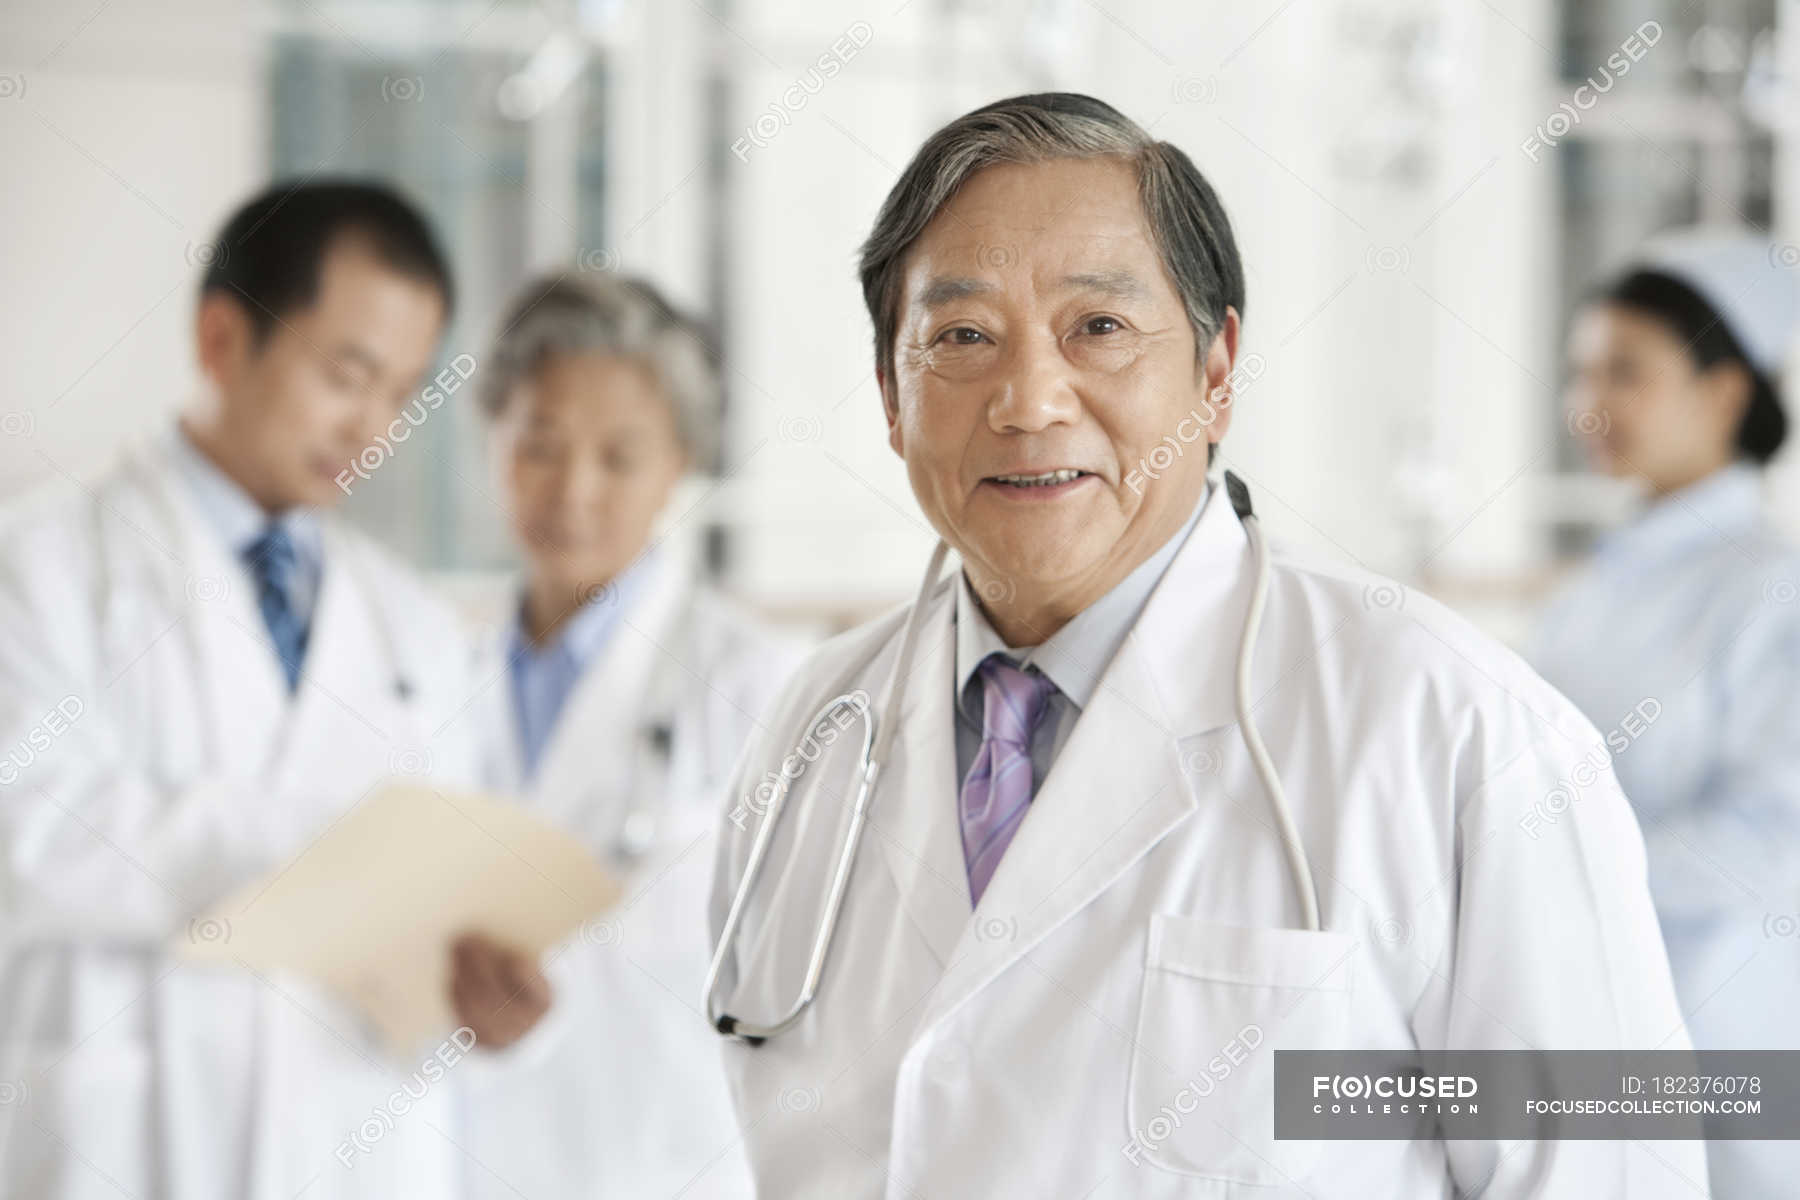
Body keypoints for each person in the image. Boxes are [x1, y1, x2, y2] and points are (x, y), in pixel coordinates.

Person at [704, 93, 1706, 1197]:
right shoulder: (812, 731)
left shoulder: (1461, 731)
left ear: (1217, 373)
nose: (1029, 402)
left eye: (1099, 328)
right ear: (892, 398)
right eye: (961, 338)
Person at [0, 180, 538, 1198]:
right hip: (127, 1147)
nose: (372, 427)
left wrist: (475, 1007)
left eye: (402, 393)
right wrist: (313, 842)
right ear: (221, 338)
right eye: (346, 375)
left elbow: (436, 898)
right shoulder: (38, 566)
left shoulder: (414, 624)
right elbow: (23, 835)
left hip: (356, 1148)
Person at [449, 272, 805, 1199]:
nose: (574, 490)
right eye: (540, 445)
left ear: (680, 461)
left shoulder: (760, 683)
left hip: (664, 1164)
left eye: (619, 456)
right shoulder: (431, 673)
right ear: (493, 437)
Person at [1528, 229, 1800, 1199]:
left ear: (1724, 392)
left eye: (1625, 373)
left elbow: (1772, 838)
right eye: (1581, 373)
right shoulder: (1600, 584)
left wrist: (1559, 874)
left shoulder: (1773, 592)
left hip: (1717, 1035)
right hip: (1587, 1028)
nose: (1586, 405)